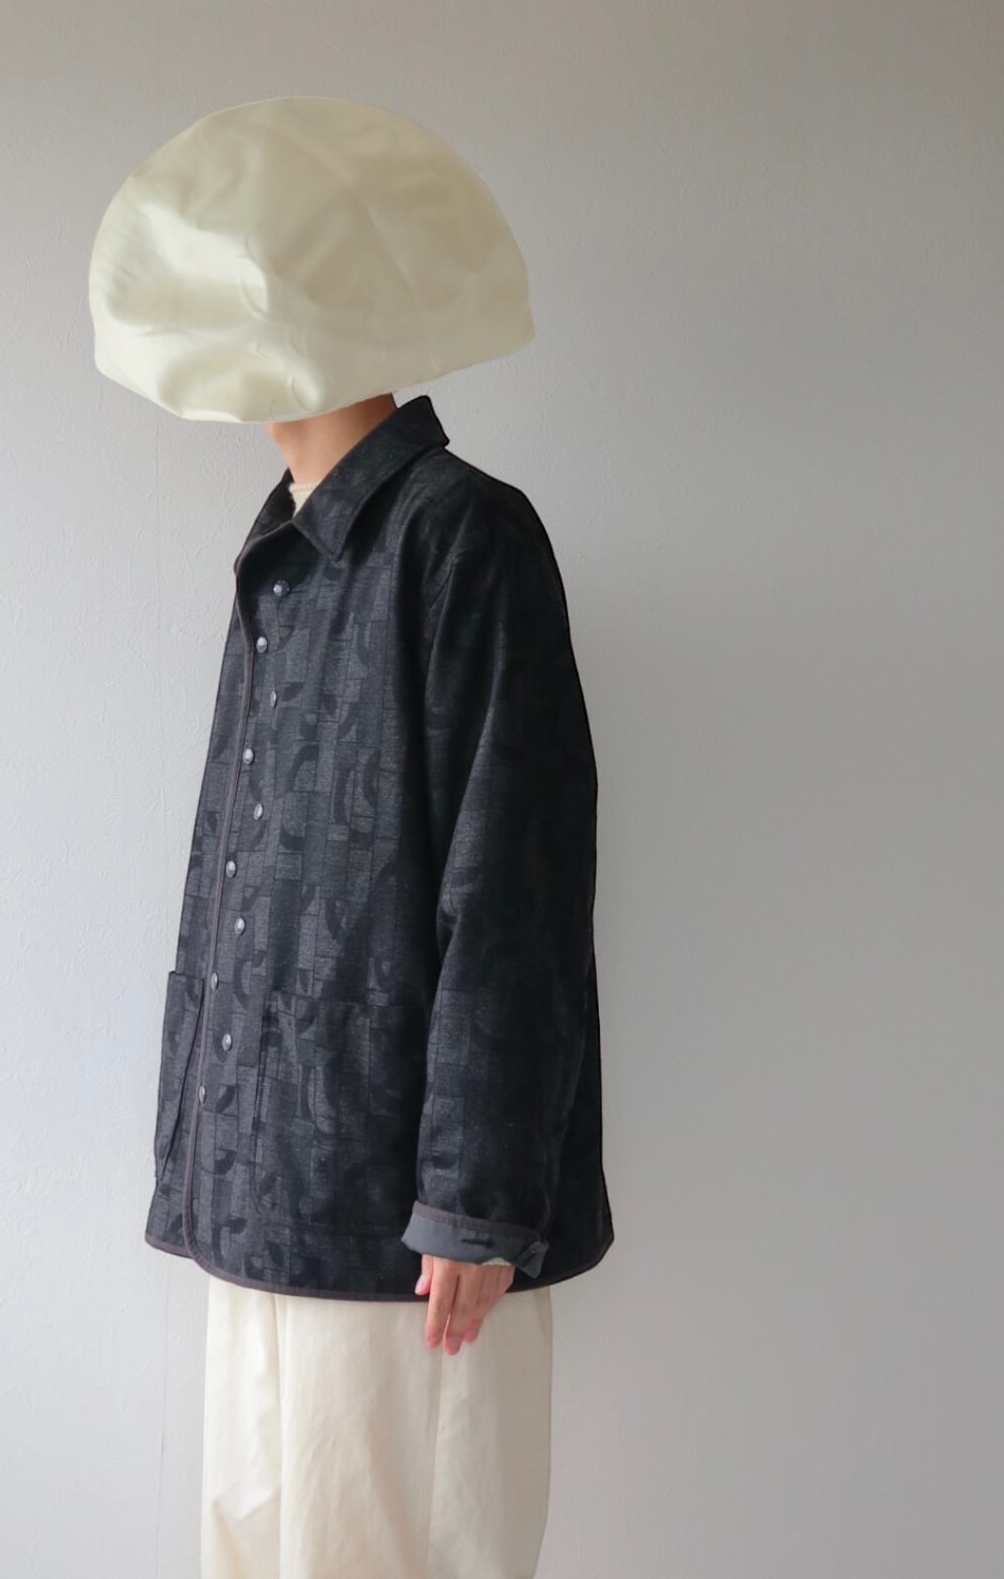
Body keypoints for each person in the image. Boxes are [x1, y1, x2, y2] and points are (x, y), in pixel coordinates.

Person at [91, 96, 613, 1579]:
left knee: (396, 1550)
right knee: (256, 1545)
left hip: (405, 1225)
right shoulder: (286, 552)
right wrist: (200, 1156)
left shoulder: (463, 536)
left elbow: (512, 888)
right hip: (265, 1192)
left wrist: (475, 1198)